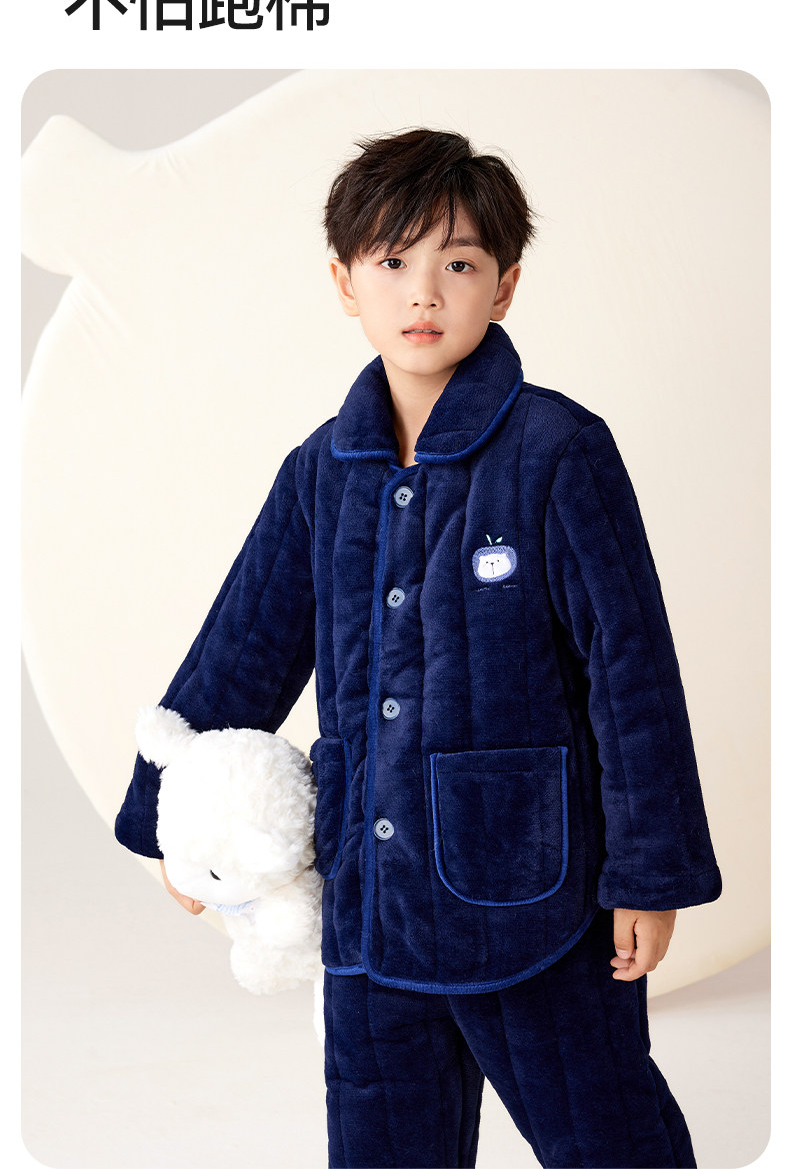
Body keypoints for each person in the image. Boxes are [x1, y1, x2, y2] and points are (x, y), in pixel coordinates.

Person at [116, 127, 722, 1168]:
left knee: (608, 1133)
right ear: (344, 282)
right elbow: (245, 646)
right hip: (371, 897)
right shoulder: (321, 470)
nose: (424, 292)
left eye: (460, 263)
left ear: (506, 285)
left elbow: (631, 673)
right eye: (392, 261)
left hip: (536, 893)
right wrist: (168, 817)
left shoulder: (559, 452)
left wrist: (649, 874)